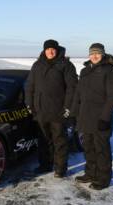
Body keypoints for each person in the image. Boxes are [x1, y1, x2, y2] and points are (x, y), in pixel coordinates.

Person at [72, 43, 113, 190]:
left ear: (103, 54)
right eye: (92, 53)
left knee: (101, 150)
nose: (94, 56)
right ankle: (91, 173)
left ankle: (103, 178)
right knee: (88, 147)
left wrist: (105, 118)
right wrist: (74, 113)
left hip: (101, 118)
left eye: (97, 53)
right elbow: (78, 94)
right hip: (85, 117)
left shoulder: (111, 72)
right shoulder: (85, 70)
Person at [25, 39, 78, 177]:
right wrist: (29, 104)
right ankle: (45, 165)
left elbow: (72, 88)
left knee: (59, 141)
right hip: (40, 110)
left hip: (58, 111)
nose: (50, 51)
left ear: (57, 49)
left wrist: (68, 108)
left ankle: (60, 169)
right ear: (44, 50)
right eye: (47, 49)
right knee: (43, 140)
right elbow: (30, 86)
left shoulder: (65, 65)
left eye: (52, 49)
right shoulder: (37, 65)